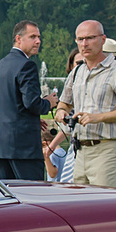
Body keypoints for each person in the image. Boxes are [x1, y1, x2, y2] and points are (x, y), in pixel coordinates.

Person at [55, 21, 116, 188]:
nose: (84, 44)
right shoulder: (76, 72)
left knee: (103, 204)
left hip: (107, 150)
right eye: (80, 39)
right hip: (79, 150)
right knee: (80, 206)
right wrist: (61, 112)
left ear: (103, 39)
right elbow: (64, 103)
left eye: (90, 38)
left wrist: (98, 118)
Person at [0, 20, 55, 180]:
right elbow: (32, 103)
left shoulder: (0, 65)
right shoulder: (26, 65)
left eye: (39, 37)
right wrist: (49, 103)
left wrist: (29, 118)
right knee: (32, 197)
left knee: (8, 200)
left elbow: (1, 101)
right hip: (23, 149)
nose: (38, 41)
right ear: (18, 39)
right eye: (32, 36)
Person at [44, 49, 82, 182]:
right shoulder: (72, 85)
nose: (82, 66)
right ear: (71, 66)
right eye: (78, 63)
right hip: (76, 147)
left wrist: (51, 147)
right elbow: (66, 128)